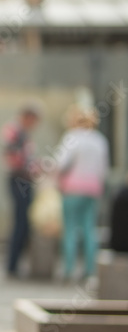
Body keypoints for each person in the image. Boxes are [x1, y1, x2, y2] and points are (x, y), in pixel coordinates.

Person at [55, 105, 109, 282]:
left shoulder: (72, 138)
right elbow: (103, 169)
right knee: (89, 229)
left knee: (70, 229)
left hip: (73, 189)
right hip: (92, 189)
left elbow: (61, 164)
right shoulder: (100, 140)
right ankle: (89, 271)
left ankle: (69, 269)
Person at [1, 101, 41, 278]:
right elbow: (13, 158)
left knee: (24, 223)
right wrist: (31, 169)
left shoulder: (23, 133)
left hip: (23, 179)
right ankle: (12, 265)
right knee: (20, 222)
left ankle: (17, 264)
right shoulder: (14, 132)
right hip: (19, 180)